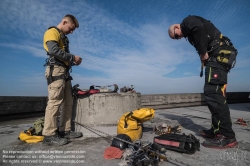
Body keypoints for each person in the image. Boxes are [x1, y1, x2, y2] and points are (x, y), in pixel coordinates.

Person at [168, 15, 238, 149]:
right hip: (216, 58)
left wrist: (202, 52)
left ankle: (227, 136)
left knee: (214, 93)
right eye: (176, 38)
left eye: (176, 36)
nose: (179, 38)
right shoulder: (189, 36)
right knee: (212, 93)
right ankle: (216, 130)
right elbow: (200, 41)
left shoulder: (187, 22)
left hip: (219, 55)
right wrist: (203, 56)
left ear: (177, 27)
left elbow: (199, 29)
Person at [42, 14, 83, 145]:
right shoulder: (51, 32)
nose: (71, 32)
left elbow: (63, 55)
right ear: (64, 22)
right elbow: (54, 50)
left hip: (64, 72)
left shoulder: (63, 37)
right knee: (55, 101)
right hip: (56, 71)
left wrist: (72, 62)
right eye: (70, 28)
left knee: (68, 102)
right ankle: (49, 135)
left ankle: (65, 130)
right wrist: (72, 58)